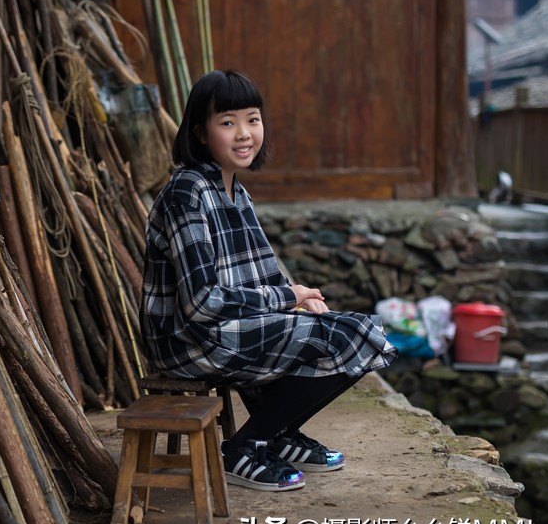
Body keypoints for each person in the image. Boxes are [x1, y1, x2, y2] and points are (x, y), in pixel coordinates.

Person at [140, 70, 398, 492]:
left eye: (252, 119)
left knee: (360, 336)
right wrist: (286, 298)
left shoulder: (235, 192)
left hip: (224, 330)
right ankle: (245, 446)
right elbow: (202, 302)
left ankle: (277, 435)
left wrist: (302, 299)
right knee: (350, 337)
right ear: (200, 132)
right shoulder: (187, 192)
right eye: (227, 122)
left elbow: (267, 271)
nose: (244, 134)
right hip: (186, 338)